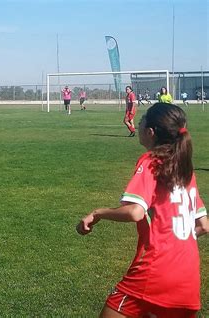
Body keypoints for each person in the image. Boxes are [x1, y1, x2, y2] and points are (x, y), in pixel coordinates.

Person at [77, 103, 208, 318]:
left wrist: (98, 212)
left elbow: (135, 211)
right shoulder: (185, 169)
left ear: (151, 132)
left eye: (142, 121)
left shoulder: (151, 161)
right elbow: (204, 225)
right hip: (188, 277)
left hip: (155, 271)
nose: (138, 124)